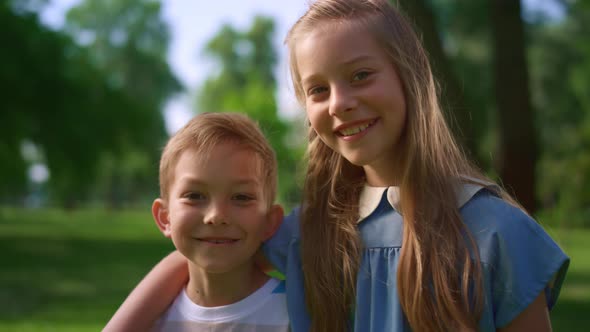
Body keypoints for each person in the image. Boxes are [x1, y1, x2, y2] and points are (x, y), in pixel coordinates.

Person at [105, 1, 569, 331]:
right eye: (318, 90)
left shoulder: (496, 231)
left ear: (409, 77)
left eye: (361, 75)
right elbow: (197, 253)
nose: (341, 103)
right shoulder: (308, 233)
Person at [111, 112, 289, 331]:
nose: (216, 216)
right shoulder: (152, 320)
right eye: (195, 196)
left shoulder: (296, 314)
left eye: (241, 197)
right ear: (165, 217)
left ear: (270, 222)